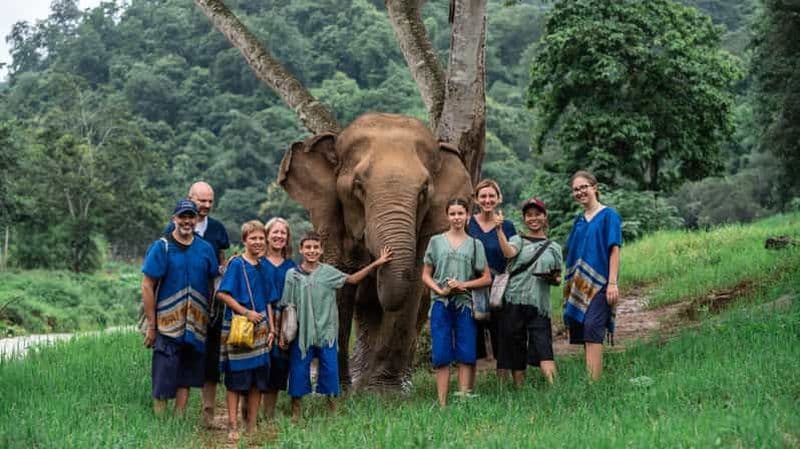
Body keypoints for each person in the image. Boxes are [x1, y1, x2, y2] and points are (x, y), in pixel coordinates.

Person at [279, 233, 392, 421]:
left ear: (321, 250)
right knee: (298, 373)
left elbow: (352, 279)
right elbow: (287, 305)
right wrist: (284, 332)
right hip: (301, 334)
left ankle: (333, 412)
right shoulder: (293, 275)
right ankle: (296, 413)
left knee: (330, 372)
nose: (312, 251)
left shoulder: (328, 272)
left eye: (315, 247)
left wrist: (377, 263)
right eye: (308, 247)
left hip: (327, 333)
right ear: (301, 249)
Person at [141, 199, 219, 416]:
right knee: (163, 373)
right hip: (167, 323)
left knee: (187, 373)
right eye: (182, 216)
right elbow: (147, 285)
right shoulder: (162, 247)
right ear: (174, 219)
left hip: (196, 323)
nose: (187, 221)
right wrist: (151, 325)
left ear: (196, 219)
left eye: (190, 216)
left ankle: (179, 419)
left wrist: (210, 315)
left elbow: (213, 283)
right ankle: (160, 421)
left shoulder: (205, 249)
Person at [163, 181, 230, 427]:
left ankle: (208, 414)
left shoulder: (217, 230)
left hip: (209, 306)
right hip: (178, 307)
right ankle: (175, 416)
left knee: (210, 359)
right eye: (202, 200)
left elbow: (220, 263)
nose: (206, 205)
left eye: (210, 201)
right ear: (190, 198)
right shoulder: (172, 228)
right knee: (178, 357)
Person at [421, 198, 492, 407]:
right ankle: (442, 404)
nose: (457, 218)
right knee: (441, 353)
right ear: (447, 216)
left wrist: (464, 284)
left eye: (460, 213)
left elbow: (486, 278)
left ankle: (463, 401)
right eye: (452, 214)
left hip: (465, 304)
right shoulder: (435, 241)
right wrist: (441, 290)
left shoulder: (475, 244)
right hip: (440, 304)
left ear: (467, 216)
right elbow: (425, 275)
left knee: (465, 352)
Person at [216, 220, 276, 441]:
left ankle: (251, 426)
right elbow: (222, 294)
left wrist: (272, 328)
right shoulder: (236, 265)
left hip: (261, 330)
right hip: (240, 328)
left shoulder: (264, 266)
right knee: (235, 380)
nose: (258, 242)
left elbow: (269, 300)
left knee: (258, 382)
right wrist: (245, 312)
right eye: (253, 238)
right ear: (244, 241)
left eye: (261, 238)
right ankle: (232, 425)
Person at [495, 197, 562, 386]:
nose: (533, 218)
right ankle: (520, 390)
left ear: (545, 217)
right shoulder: (518, 240)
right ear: (524, 219)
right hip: (514, 300)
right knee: (515, 345)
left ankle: (554, 387)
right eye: (529, 215)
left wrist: (553, 278)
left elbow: (557, 278)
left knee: (544, 346)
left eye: (537, 214)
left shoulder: (554, 247)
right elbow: (509, 253)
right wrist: (499, 230)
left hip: (539, 303)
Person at [563, 170, 622, 381]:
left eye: (583, 187)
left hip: (601, 283)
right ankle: (591, 380)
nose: (580, 192)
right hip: (580, 285)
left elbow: (614, 249)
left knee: (593, 329)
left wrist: (613, 283)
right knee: (583, 331)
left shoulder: (609, 215)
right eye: (576, 189)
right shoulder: (578, 221)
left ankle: (594, 384)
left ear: (594, 187)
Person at [466, 179, 516, 382]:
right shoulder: (468, 224)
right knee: (472, 338)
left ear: (498, 198)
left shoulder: (508, 225)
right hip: (473, 288)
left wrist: (499, 229)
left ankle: (502, 386)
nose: (487, 200)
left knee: (502, 337)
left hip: (499, 290)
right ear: (476, 199)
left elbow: (512, 255)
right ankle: (468, 387)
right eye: (483, 196)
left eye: (491, 196)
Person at [259, 217, 297, 419]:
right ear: (266, 235)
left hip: (283, 320)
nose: (279, 236)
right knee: (256, 366)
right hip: (259, 318)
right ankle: (248, 413)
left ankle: (268, 414)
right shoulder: (257, 262)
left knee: (278, 366)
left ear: (287, 238)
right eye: (275, 232)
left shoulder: (292, 267)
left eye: (283, 233)